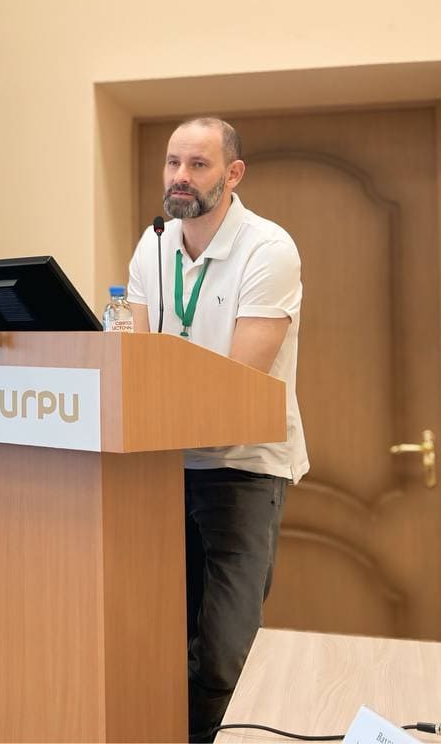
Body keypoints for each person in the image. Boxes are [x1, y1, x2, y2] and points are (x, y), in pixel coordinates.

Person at [126, 116, 308, 744]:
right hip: (159, 466)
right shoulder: (152, 245)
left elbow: (237, 385)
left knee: (224, 655)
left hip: (241, 467)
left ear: (233, 174)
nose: (179, 177)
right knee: (157, 643)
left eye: (197, 164)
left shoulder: (268, 249)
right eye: (172, 162)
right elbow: (132, 360)